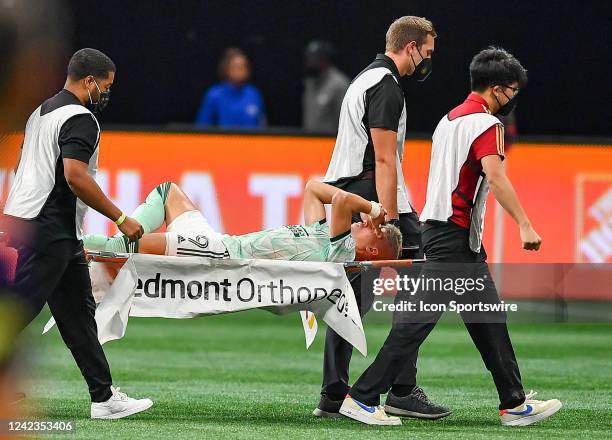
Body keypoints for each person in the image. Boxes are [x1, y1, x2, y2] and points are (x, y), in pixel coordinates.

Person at [339, 47, 562, 426]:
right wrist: (525, 223)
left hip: (446, 234)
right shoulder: (488, 126)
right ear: (497, 89)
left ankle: (513, 403)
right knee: (415, 325)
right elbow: (495, 177)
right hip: (454, 238)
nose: (514, 97)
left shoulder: (449, 119)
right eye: (512, 90)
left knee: (488, 322)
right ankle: (360, 397)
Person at [1, 48, 153, 419]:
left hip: (36, 223)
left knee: (77, 315)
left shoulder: (41, 112)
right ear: (89, 81)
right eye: (106, 85)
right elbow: (74, 176)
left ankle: (103, 397)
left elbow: (23, 168)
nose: (107, 92)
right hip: (47, 227)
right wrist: (121, 219)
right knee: (17, 311)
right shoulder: (81, 118)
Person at [314, 16, 450, 419]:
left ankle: (333, 394)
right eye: (427, 52)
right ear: (410, 47)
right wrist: (386, 216)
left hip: (349, 193)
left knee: (349, 296)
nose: (427, 61)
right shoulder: (386, 86)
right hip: (375, 193)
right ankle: (400, 389)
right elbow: (386, 158)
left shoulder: (363, 79)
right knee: (423, 285)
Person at [82, 180, 402, 263]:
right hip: (219, 243)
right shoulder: (323, 235)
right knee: (169, 192)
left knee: (122, 248)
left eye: (374, 232)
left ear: (372, 252)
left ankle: (56, 244)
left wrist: (373, 207)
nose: (368, 224)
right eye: (373, 223)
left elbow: (343, 201)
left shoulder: (341, 255)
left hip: (220, 256)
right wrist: (372, 214)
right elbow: (312, 189)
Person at [195, 48, 265, 128]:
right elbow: (202, 127)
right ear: (226, 69)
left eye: (244, 66)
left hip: (250, 140)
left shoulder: (254, 94)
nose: (242, 71)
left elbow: (262, 126)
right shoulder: (214, 95)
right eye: (237, 67)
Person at [302, 40, 350, 133]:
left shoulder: (339, 84)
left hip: (330, 142)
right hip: (309, 142)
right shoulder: (310, 83)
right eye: (308, 58)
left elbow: (347, 121)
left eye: (314, 59)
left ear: (324, 59)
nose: (310, 62)